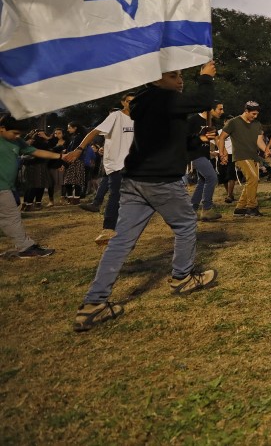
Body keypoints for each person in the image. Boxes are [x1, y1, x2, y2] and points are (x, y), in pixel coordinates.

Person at [72, 63, 220, 331]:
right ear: (155, 78)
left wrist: (197, 139)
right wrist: (206, 77)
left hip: (135, 180)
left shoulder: (146, 103)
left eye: (180, 76)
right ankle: (182, 278)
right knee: (185, 225)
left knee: (121, 241)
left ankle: (93, 304)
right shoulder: (162, 98)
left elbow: (171, 143)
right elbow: (204, 99)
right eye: (173, 76)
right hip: (161, 181)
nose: (179, 81)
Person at [1, 115, 63, 258]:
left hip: (7, 187)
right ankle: (25, 247)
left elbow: (35, 151)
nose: (17, 136)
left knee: (9, 217)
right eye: (15, 133)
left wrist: (60, 157)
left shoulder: (16, 141)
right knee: (11, 217)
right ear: (2, 128)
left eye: (19, 134)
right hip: (1, 188)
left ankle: (24, 245)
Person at [77, 92, 135, 245]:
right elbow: (94, 132)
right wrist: (79, 148)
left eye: (135, 101)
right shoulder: (116, 116)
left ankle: (125, 230)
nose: (132, 104)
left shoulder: (140, 118)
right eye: (128, 101)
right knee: (116, 195)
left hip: (134, 164)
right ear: (123, 102)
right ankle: (107, 230)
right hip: (116, 164)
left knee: (133, 197)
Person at [216, 102, 268, 216]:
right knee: (253, 178)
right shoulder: (233, 122)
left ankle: (240, 208)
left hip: (253, 156)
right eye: (253, 114)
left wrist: (266, 149)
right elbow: (221, 138)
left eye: (257, 114)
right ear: (246, 111)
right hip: (241, 155)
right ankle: (251, 207)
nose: (255, 116)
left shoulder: (257, 124)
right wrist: (221, 153)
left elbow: (259, 141)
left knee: (252, 180)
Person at [187, 102, 224, 221]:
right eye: (220, 109)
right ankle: (207, 209)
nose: (222, 111)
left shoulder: (211, 122)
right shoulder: (193, 120)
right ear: (210, 109)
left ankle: (192, 211)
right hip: (195, 154)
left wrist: (222, 152)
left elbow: (216, 138)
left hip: (205, 154)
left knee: (202, 181)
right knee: (212, 178)